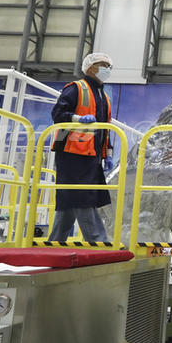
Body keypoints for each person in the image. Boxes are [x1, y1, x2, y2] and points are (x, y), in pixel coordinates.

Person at [48, 52, 115, 244]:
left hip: (92, 155)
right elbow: (58, 114)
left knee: (69, 201)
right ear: (91, 68)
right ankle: (98, 241)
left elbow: (104, 129)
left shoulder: (103, 96)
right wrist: (78, 119)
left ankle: (55, 242)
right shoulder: (76, 88)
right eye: (103, 65)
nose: (107, 70)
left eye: (109, 67)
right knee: (83, 197)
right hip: (72, 153)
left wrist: (108, 154)